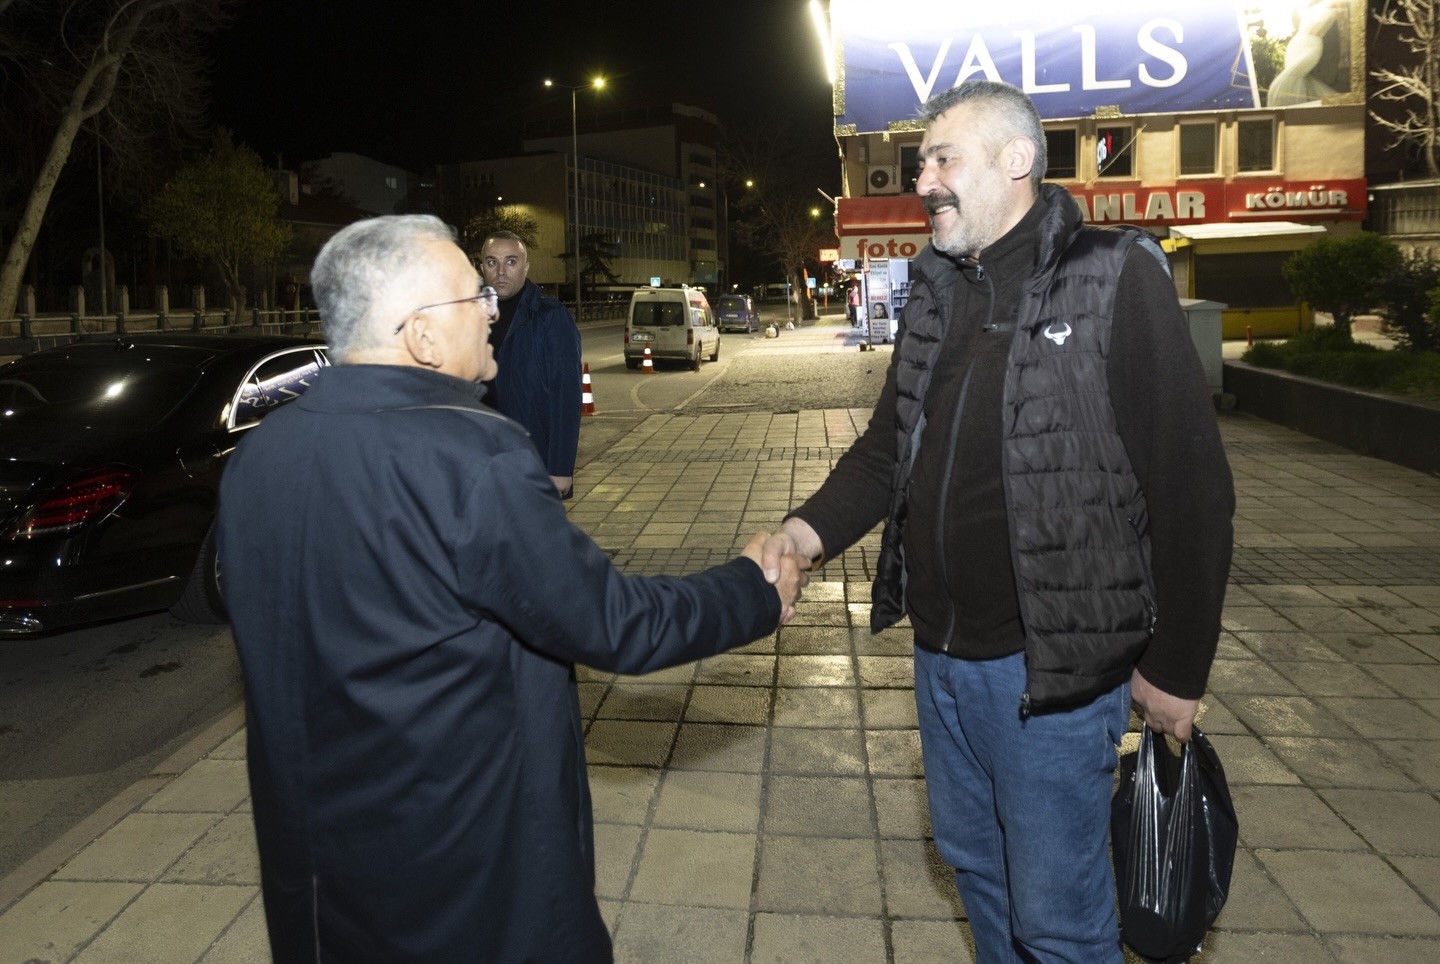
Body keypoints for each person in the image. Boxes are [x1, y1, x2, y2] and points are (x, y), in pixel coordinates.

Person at [217, 215, 807, 963]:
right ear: (422, 335)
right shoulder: (473, 456)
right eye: (475, 297)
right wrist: (751, 590)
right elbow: (612, 623)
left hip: (321, 868)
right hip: (467, 869)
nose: (494, 307)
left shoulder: (259, 457)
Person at [760, 80, 1234, 962]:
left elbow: (1192, 487)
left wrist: (1175, 669)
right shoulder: (938, 287)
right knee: (976, 870)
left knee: (1057, 919)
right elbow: (889, 444)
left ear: (1017, 161)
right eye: (921, 163)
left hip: (1050, 676)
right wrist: (801, 533)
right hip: (941, 658)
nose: (925, 181)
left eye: (944, 159)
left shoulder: (1114, 274)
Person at [478, 230, 581, 497]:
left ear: (526, 267)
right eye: (492, 262)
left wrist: (560, 468)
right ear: (481, 268)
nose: (501, 271)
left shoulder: (550, 317)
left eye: (511, 261)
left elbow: (566, 396)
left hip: (532, 461)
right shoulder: (467, 316)